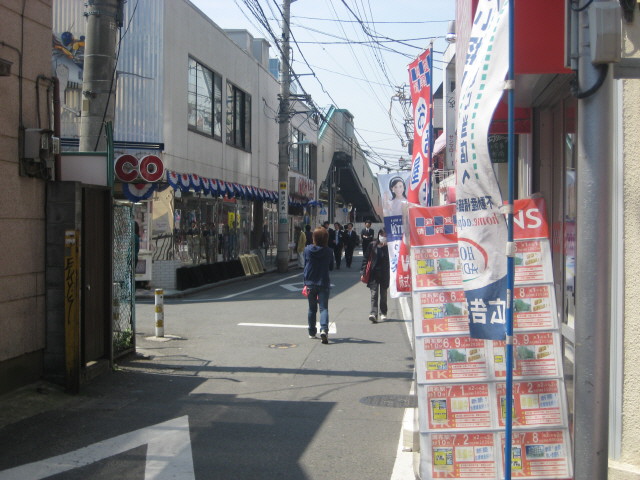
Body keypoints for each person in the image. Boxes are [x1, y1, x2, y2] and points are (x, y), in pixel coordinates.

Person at [303, 227, 334, 344]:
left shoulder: (307, 250)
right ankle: (324, 329)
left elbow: (305, 265)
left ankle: (312, 332)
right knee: (323, 308)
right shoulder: (329, 251)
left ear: (314, 237)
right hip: (323, 282)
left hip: (310, 282)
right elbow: (331, 267)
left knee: (312, 308)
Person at [361, 228, 390, 323]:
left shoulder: (390, 247)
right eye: (382, 234)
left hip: (385, 273)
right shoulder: (372, 245)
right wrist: (363, 271)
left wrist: (386, 247)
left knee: (383, 294)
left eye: (385, 235)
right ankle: (373, 313)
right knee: (374, 294)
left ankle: (383, 312)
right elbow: (366, 258)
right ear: (378, 235)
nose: (383, 236)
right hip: (374, 273)